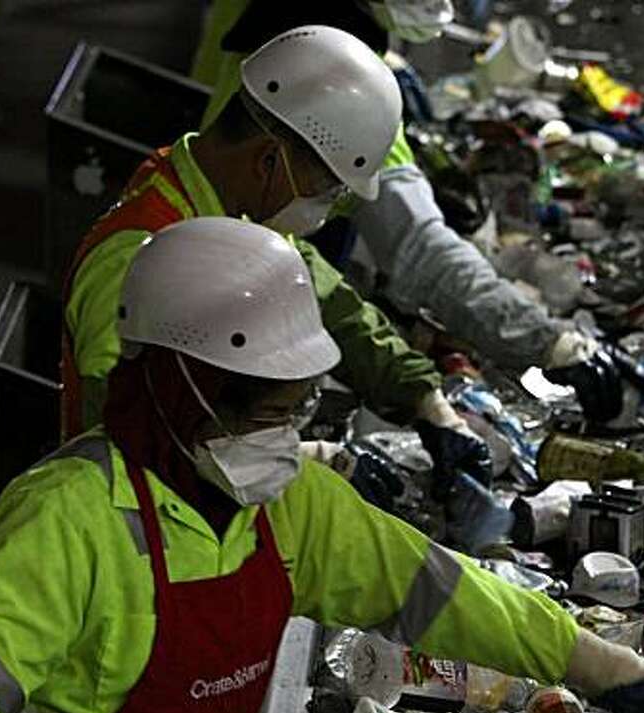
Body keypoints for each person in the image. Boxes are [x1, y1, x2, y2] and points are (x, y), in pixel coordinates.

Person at [0, 219, 644, 713]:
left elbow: (441, 591)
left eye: (294, 409)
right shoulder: (69, 515)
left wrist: (605, 666)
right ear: (187, 394)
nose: (285, 436)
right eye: (268, 413)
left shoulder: (289, 508)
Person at [65, 25, 489, 504]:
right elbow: (123, 428)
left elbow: (334, 307)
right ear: (268, 158)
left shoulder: (238, 214)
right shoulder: (139, 255)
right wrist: (308, 459)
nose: (327, 208)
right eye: (328, 189)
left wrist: (426, 401)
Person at [191, 1, 644, 424]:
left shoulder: (280, 41)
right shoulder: (331, 105)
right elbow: (419, 251)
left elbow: (308, 280)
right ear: (269, 158)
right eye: (330, 190)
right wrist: (550, 343)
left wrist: (417, 391)